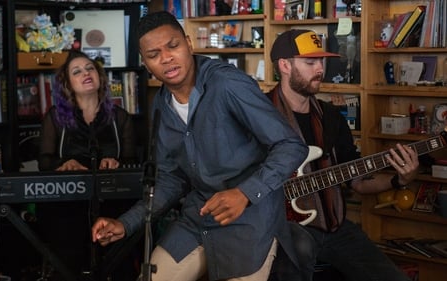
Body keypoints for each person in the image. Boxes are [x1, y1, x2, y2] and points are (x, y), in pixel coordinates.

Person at [91, 11, 308, 281]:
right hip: (198, 218)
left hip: (250, 220)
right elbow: (170, 180)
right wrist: (125, 223)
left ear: (189, 44)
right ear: (146, 64)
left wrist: (244, 193)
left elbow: (291, 145)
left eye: (173, 46)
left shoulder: (227, 83)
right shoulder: (161, 105)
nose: (166, 58)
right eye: (154, 54)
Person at [267, 29, 419, 281]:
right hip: (283, 231)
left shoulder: (331, 118)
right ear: (284, 65)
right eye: (310, 62)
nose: (320, 69)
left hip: (336, 227)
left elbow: (357, 181)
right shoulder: (259, 115)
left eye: (322, 61)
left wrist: (399, 180)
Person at [36, 50, 139, 279]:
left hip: (113, 203)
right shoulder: (55, 118)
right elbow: (44, 162)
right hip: (69, 204)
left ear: (100, 76)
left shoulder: (120, 118)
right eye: (77, 71)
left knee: (119, 263)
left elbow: (133, 162)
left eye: (90, 68)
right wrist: (65, 163)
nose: (86, 73)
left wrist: (117, 162)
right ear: (68, 84)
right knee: (68, 261)